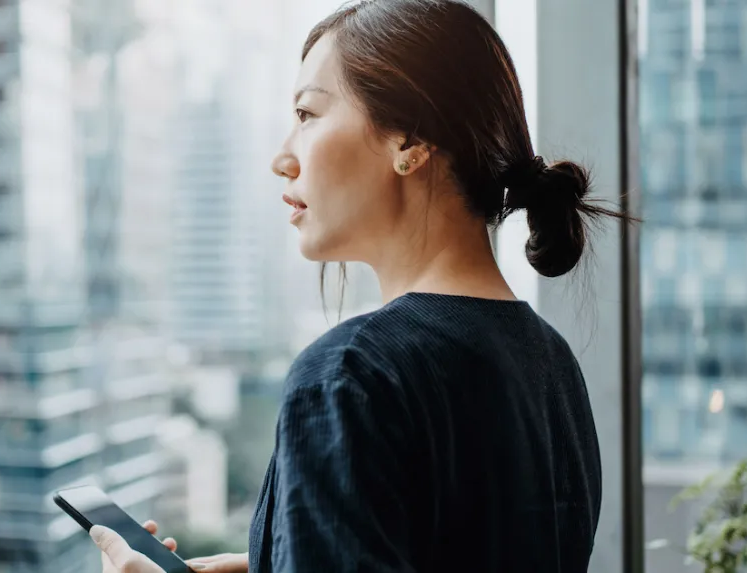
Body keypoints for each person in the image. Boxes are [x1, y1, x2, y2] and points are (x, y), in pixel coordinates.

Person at [92, 1, 612, 571]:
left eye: (308, 114)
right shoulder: (553, 364)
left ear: (410, 140)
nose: (281, 158)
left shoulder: (351, 374)